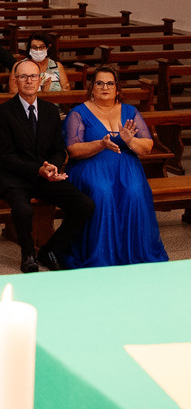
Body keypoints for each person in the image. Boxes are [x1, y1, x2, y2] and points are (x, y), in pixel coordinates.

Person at [0, 59, 95, 273]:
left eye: (33, 76)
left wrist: (53, 167)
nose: (29, 81)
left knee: (85, 205)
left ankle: (50, 251)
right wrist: (37, 169)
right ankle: (28, 254)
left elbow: (59, 149)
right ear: (15, 80)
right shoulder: (3, 112)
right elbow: (6, 156)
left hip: (45, 175)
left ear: (40, 80)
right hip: (15, 176)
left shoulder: (49, 111)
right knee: (23, 209)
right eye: (23, 77)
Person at [62, 64, 167, 268]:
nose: (105, 87)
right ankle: (100, 254)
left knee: (135, 192)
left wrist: (129, 141)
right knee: (103, 192)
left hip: (126, 166)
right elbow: (73, 150)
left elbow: (146, 147)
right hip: (90, 164)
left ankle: (133, 252)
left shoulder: (130, 111)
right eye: (100, 83)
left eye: (110, 83)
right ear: (92, 87)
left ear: (118, 88)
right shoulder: (78, 112)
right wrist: (100, 143)